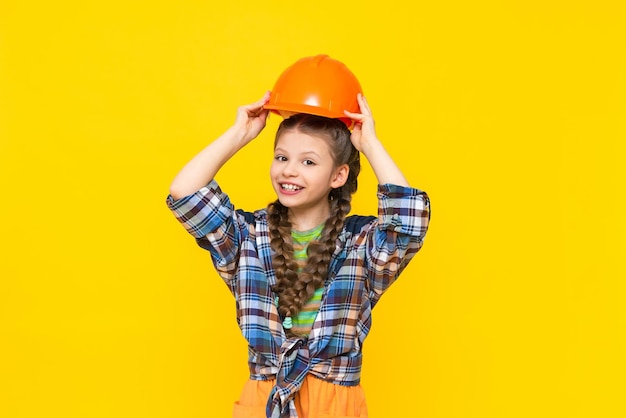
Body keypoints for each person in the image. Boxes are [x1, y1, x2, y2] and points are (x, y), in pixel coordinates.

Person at [166, 91, 430, 418]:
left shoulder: (360, 243)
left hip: (336, 405)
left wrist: (370, 144)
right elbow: (185, 193)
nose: (289, 170)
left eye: (308, 161)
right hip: (262, 400)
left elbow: (408, 221)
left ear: (338, 175)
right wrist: (240, 134)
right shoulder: (248, 236)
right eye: (281, 157)